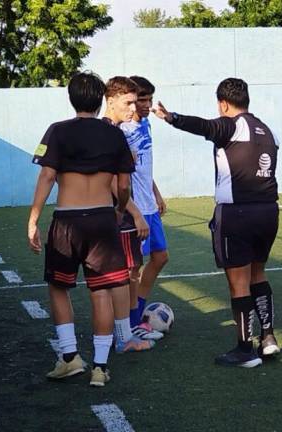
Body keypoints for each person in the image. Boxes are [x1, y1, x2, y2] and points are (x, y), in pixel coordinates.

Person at [152, 78, 280, 368]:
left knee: (239, 283)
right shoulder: (266, 130)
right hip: (268, 211)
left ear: (223, 103)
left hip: (237, 214)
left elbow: (204, 126)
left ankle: (245, 349)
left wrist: (170, 117)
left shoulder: (231, 125)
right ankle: (268, 338)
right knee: (258, 273)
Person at [27, 71, 136, 387]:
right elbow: (124, 184)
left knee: (59, 287)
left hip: (67, 220)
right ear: (101, 99)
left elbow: (47, 177)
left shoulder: (57, 132)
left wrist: (33, 218)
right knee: (99, 290)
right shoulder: (115, 135)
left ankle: (69, 357)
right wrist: (117, 210)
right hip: (102, 219)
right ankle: (100, 368)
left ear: (71, 98)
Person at [103, 76, 160, 347]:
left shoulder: (133, 127)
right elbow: (117, 181)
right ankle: (125, 330)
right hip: (124, 212)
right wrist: (132, 212)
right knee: (124, 273)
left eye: (139, 101)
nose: (136, 106)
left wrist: (155, 194)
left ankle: (129, 326)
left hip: (134, 208)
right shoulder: (115, 132)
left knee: (138, 267)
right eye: (132, 101)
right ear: (111, 101)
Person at [119, 76, 169, 338]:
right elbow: (123, 176)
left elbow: (144, 167)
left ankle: (136, 314)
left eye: (150, 99)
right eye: (142, 100)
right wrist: (132, 209)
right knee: (133, 268)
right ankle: (131, 322)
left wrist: (156, 193)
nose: (147, 105)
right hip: (135, 209)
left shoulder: (147, 124)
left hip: (150, 204)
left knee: (161, 257)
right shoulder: (123, 131)